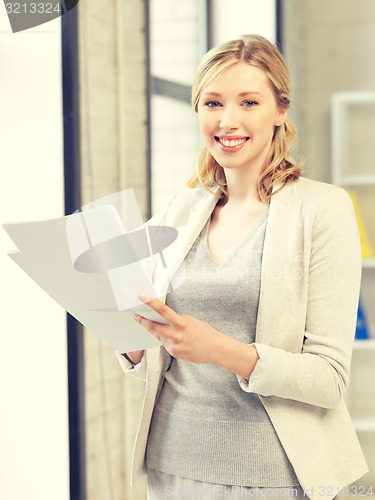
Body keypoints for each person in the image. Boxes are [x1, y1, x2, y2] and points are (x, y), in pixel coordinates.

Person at [116, 34, 368, 500]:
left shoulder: (324, 209)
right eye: (212, 102)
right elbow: (163, 349)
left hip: (277, 473)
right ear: (197, 111)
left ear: (280, 111)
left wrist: (220, 349)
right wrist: (131, 342)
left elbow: (329, 379)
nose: (228, 120)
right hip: (173, 467)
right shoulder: (178, 210)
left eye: (248, 102)